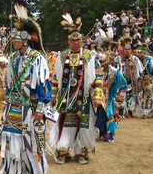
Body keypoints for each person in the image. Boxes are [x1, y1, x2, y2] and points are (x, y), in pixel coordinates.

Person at [0, 0, 51, 174]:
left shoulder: (37, 59)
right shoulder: (13, 58)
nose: (13, 43)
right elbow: (9, 84)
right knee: (9, 137)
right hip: (13, 107)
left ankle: (36, 173)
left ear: (25, 41)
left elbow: (43, 85)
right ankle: (12, 172)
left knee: (30, 140)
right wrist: (8, 99)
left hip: (31, 107)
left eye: (15, 40)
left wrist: (41, 108)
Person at [49, 14, 103, 165]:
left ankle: (82, 151)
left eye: (78, 40)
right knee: (64, 123)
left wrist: (97, 96)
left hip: (83, 98)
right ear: (68, 41)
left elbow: (97, 77)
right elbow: (55, 78)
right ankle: (63, 150)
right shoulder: (62, 56)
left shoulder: (89, 56)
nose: (75, 43)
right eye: (73, 40)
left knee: (84, 124)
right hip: (65, 97)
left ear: (82, 41)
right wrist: (53, 97)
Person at [96, 52, 127, 142]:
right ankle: (101, 132)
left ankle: (108, 134)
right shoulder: (94, 71)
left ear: (108, 61)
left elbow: (123, 83)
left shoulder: (113, 72)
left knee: (108, 114)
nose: (102, 63)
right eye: (100, 61)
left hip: (107, 98)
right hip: (94, 98)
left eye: (103, 61)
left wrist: (121, 94)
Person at [113, 36, 144, 117]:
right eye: (126, 49)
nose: (127, 51)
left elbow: (141, 71)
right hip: (121, 82)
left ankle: (130, 111)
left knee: (133, 97)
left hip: (133, 82)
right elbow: (114, 71)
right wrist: (121, 66)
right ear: (122, 50)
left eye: (129, 49)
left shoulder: (135, 59)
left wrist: (140, 81)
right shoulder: (117, 59)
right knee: (121, 97)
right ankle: (121, 112)